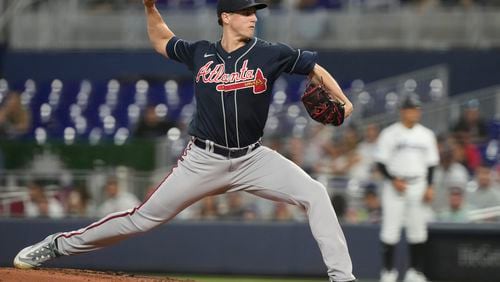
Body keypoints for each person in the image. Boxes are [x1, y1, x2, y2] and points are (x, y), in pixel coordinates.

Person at [13, 1, 356, 281]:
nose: (254, 18)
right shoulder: (200, 53)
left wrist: (343, 99)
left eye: (255, 12)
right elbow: (162, 40)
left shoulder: (270, 53)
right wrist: (150, 7)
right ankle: (56, 245)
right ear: (226, 17)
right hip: (203, 160)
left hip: (253, 159)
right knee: (141, 219)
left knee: (315, 193)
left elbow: (315, 69)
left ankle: (343, 278)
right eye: (246, 12)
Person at [374, 94, 439, 282]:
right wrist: (393, 179)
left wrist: (430, 186)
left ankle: (415, 272)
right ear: (403, 111)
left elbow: (432, 164)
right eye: (412, 109)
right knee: (390, 230)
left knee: (418, 230)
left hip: (418, 184)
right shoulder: (390, 133)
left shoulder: (426, 134)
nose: (415, 112)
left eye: (417, 109)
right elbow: (380, 163)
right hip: (395, 186)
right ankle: (388, 272)